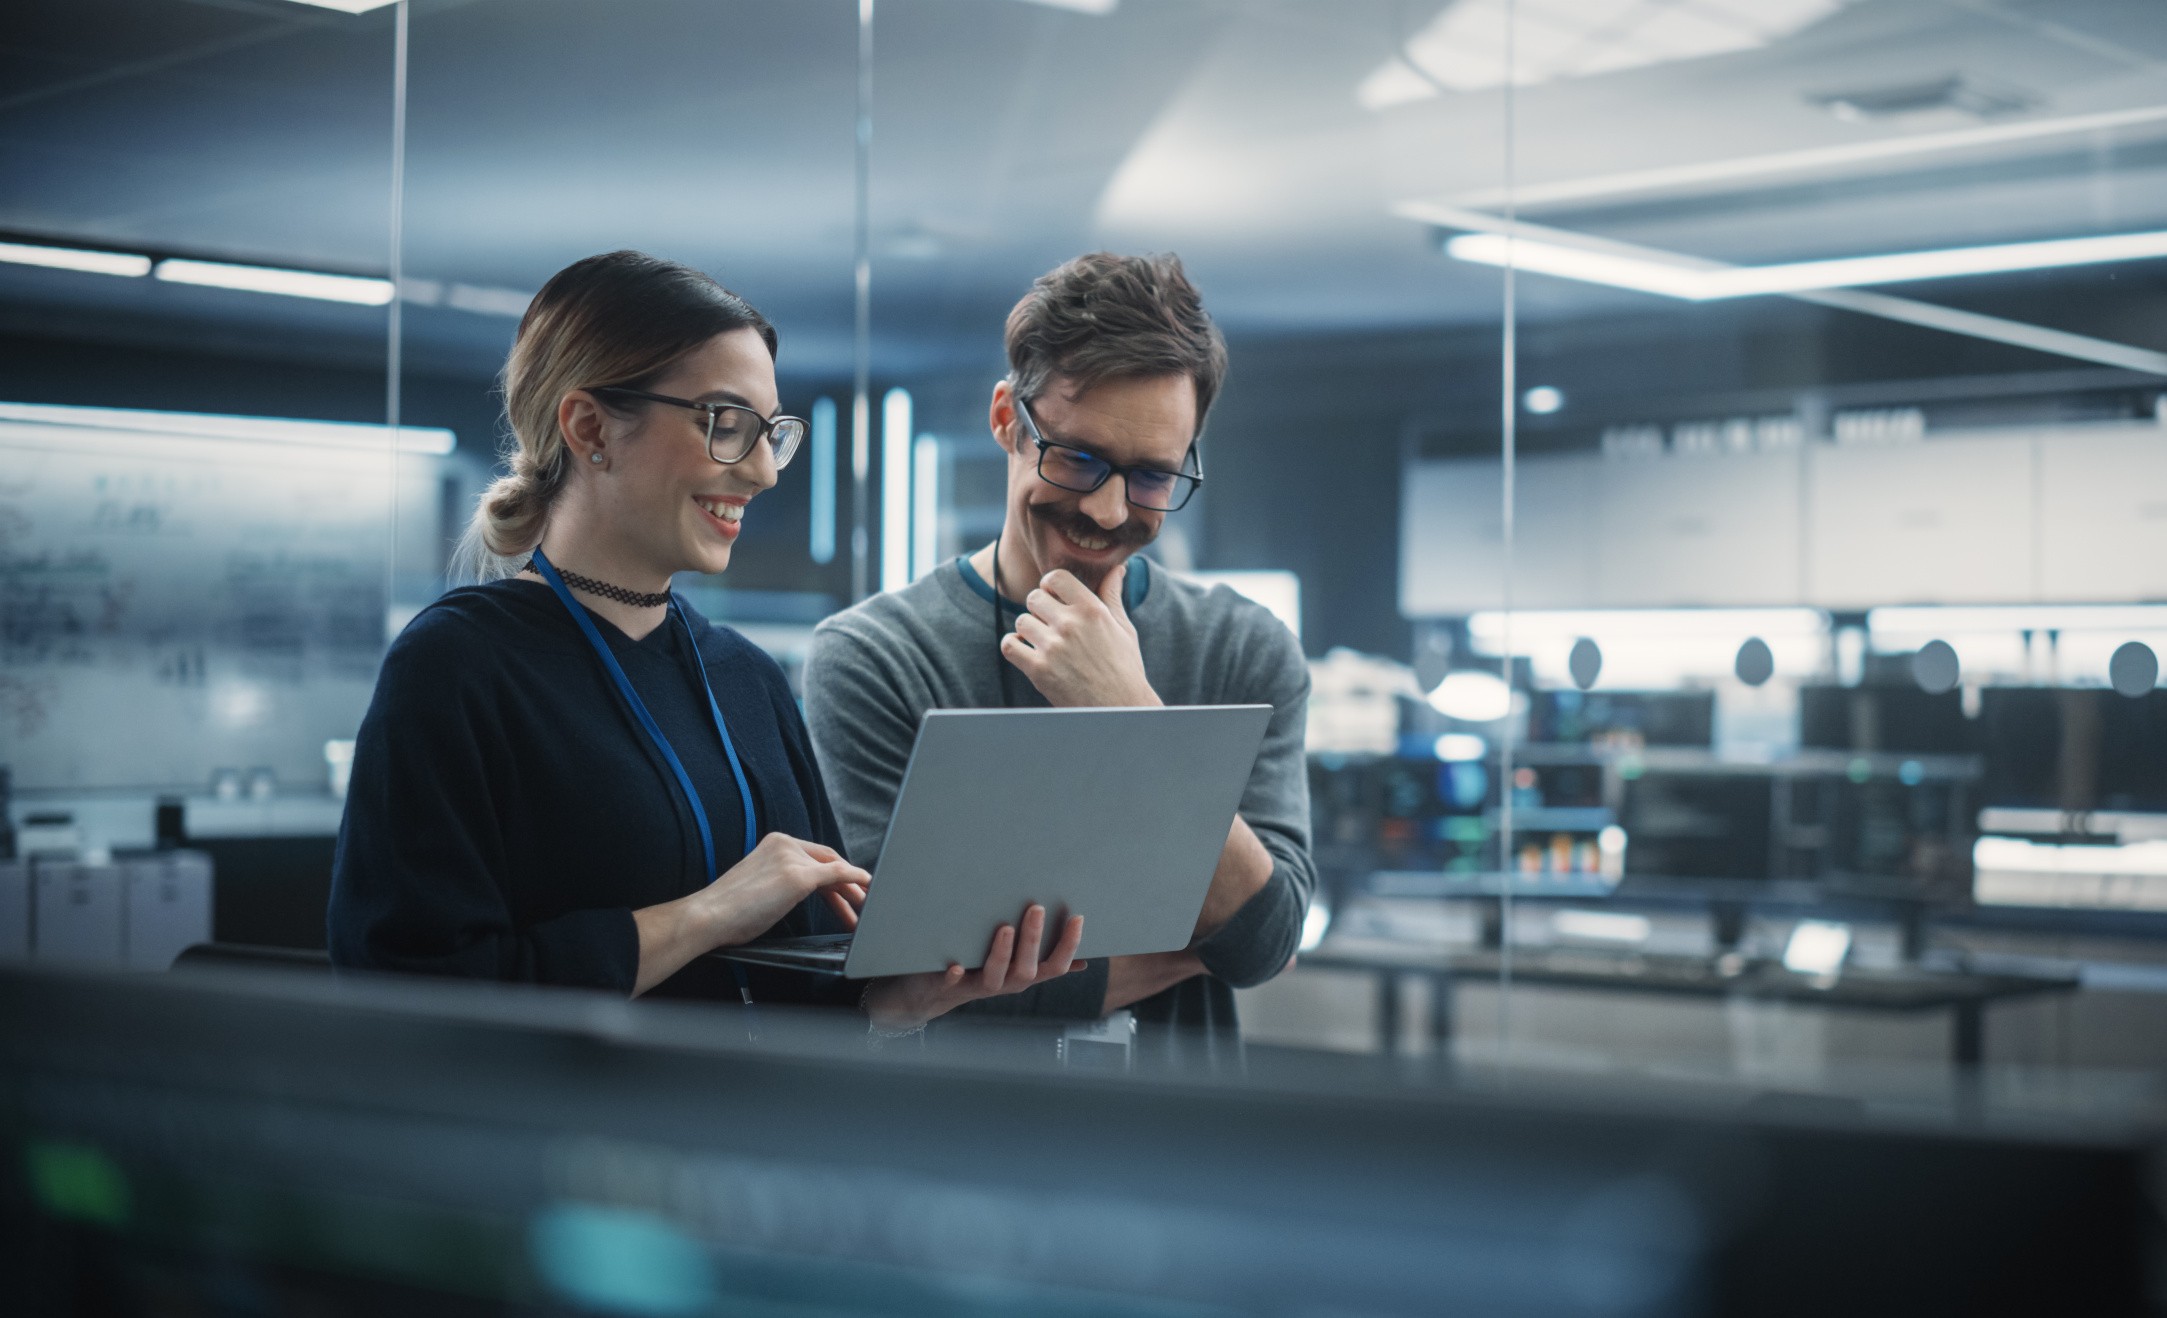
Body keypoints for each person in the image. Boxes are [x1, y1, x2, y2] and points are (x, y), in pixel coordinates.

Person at [329, 250, 1082, 1024]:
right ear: (590, 427)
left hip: (751, 1136)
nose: (761, 472)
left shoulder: (744, 679)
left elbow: (815, 995)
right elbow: (408, 999)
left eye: (771, 433)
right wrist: (708, 914)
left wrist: (909, 995)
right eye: (726, 424)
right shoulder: (457, 668)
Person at [803, 252, 1313, 1041]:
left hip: (1174, 1148)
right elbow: (894, 970)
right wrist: (1189, 942)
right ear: (1008, 419)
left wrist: (1131, 713)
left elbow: (1264, 941)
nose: (1109, 512)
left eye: (1151, 477)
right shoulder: (872, 655)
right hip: (956, 1143)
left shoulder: (1243, 647)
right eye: (1077, 459)